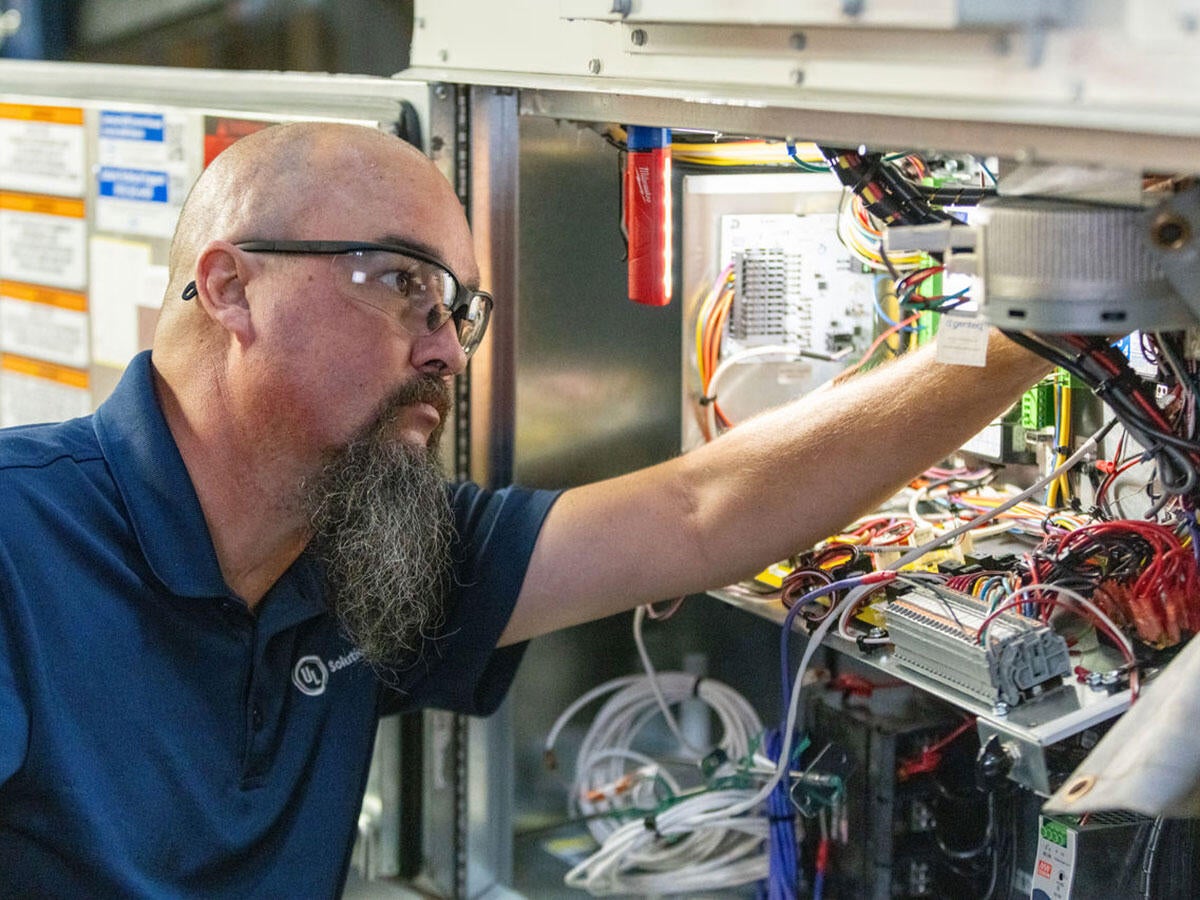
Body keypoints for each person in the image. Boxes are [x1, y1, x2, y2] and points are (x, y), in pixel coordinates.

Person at [0, 121, 1050, 895]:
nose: (447, 348)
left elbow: (701, 514)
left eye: (459, 310)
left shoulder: (365, 550)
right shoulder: (20, 543)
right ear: (230, 290)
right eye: (397, 282)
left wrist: (1031, 331)